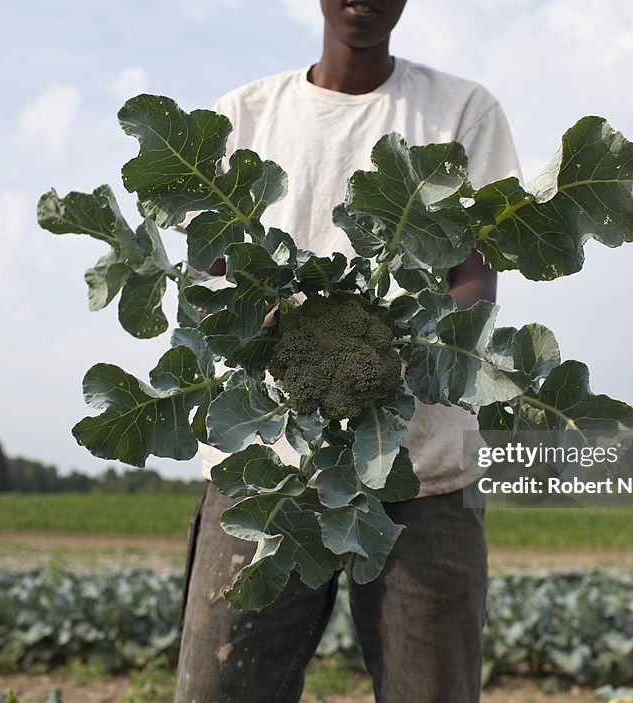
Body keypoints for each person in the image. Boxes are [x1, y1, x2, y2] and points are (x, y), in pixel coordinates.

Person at [174, 1, 522, 701]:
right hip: (263, 477)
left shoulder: (462, 112)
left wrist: (410, 343)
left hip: (420, 475)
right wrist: (252, 315)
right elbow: (205, 279)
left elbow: (476, 275)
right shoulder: (242, 116)